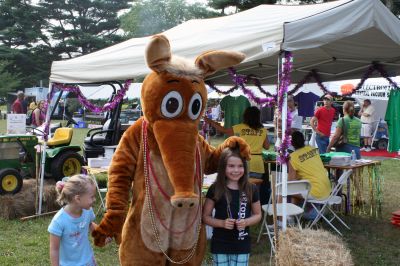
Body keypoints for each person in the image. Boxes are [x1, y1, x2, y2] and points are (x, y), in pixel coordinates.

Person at [202, 147, 262, 266]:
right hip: (220, 244)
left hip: (242, 245)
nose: (236, 170)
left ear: (245, 167)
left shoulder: (251, 189)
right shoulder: (215, 189)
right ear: (223, 167)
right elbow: (205, 217)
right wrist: (222, 223)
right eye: (231, 166)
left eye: (240, 166)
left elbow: (258, 214)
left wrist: (246, 222)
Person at [48, 175, 101, 266]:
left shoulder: (87, 211)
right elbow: (54, 249)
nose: (94, 200)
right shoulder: (59, 221)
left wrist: (101, 235)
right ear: (78, 199)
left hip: (88, 261)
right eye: (92, 197)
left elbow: (89, 224)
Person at [204, 106, 270, 179]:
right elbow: (267, 147)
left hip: (243, 162)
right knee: (255, 189)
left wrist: (211, 122)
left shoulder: (240, 127)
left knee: (239, 189)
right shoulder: (263, 130)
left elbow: (224, 130)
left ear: (245, 116)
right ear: (258, 117)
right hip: (258, 165)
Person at [289, 131, 331, 202]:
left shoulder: (292, 157)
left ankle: (291, 212)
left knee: (288, 190)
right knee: (298, 189)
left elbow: (291, 182)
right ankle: (301, 211)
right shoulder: (313, 149)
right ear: (304, 140)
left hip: (316, 193)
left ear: (291, 143)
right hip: (327, 189)